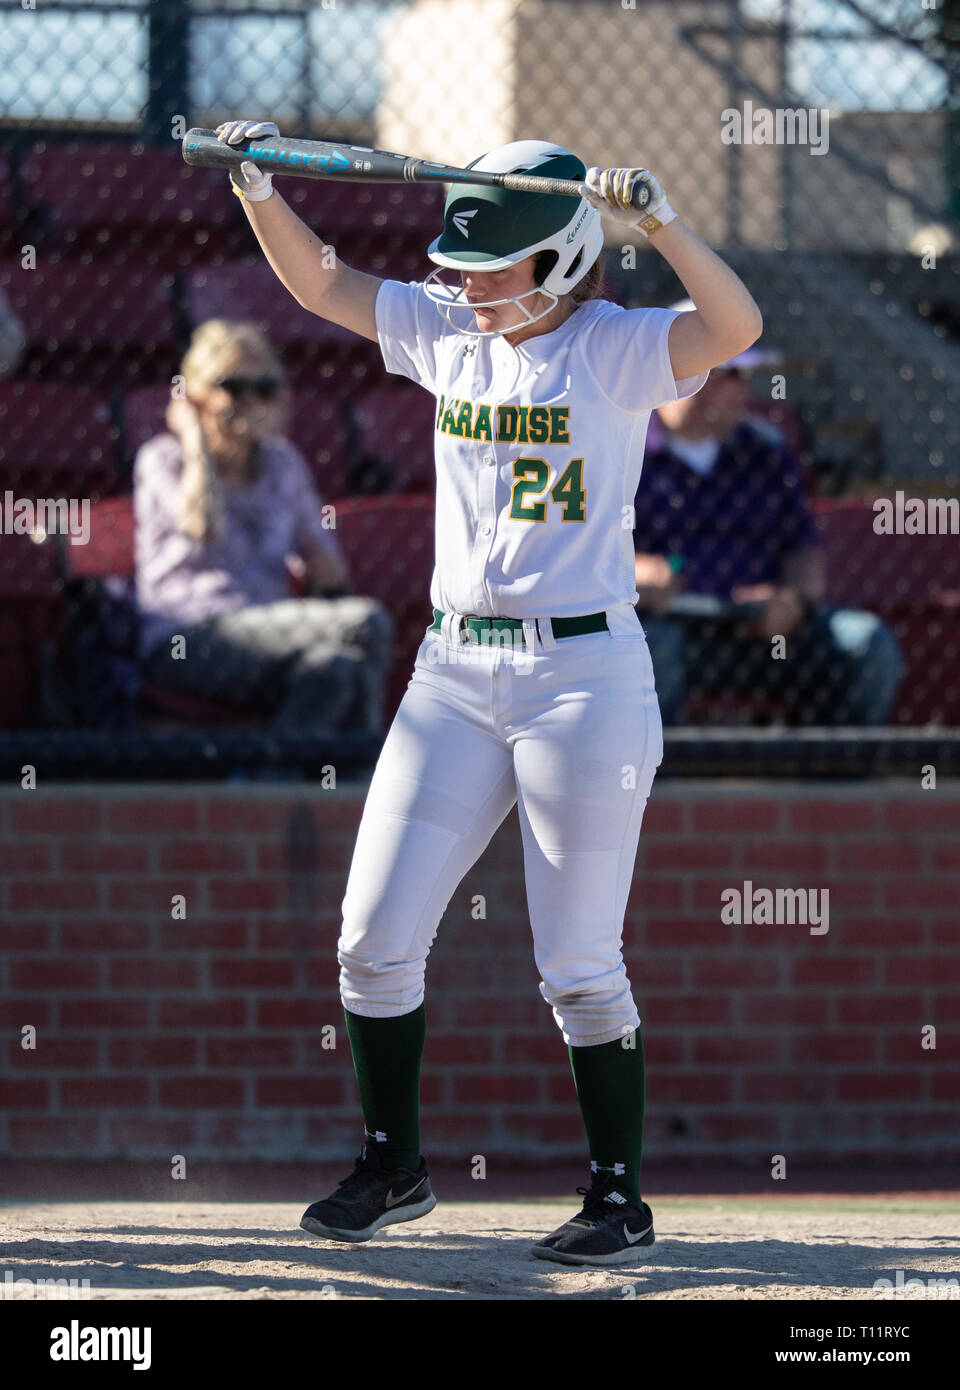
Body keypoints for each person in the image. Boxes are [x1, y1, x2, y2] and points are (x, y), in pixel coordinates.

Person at [216, 118, 761, 1266]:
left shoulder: (611, 346)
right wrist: (255, 180)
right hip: (453, 671)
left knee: (577, 963)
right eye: (457, 265)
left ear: (562, 260)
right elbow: (320, 282)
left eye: (491, 266)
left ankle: (618, 1196)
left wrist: (656, 218)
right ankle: (393, 1164)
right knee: (370, 940)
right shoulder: (449, 332)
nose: (463, 286)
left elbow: (735, 326)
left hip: (584, 680)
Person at [633, 310, 903, 726]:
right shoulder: (622, 446)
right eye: (729, 374)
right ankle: (653, 786)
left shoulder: (765, 451)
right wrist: (634, 573)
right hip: (667, 627)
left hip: (762, 630)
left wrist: (794, 601)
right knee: (649, 649)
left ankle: (839, 782)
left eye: (745, 376)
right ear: (681, 373)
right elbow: (574, 544)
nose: (742, 389)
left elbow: (803, 551)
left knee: (866, 643)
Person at [134, 318, 392, 736]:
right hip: (185, 639)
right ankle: (375, 775)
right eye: (233, 388)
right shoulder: (164, 458)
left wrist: (319, 566)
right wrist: (195, 440)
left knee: (335, 667)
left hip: (272, 630)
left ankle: (271, 783)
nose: (250, 402)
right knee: (366, 623)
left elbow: (331, 573)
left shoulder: (283, 462)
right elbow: (202, 525)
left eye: (264, 390)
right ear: (195, 396)